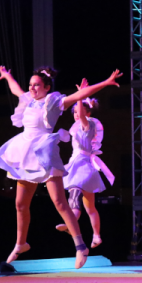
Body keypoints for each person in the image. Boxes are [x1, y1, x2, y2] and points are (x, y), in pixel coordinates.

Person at [0, 66, 123, 268]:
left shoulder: (53, 102)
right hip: (25, 153)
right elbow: (16, 89)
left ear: (46, 87)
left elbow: (80, 94)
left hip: (44, 152)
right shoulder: (28, 100)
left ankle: (81, 246)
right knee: (20, 203)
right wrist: (8, 76)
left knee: (60, 202)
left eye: (36, 85)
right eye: (31, 85)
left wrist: (106, 82)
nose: (32, 88)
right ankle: (21, 243)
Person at [56, 79, 115, 249]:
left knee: (74, 195)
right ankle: (96, 236)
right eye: (74, 112)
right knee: (90, 207)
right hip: (87, 167)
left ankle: (70, 223)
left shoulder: (87, 124)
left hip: (81, 166)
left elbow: (81, 116)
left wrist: (80, 97)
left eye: (79, 111)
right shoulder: (83, 126)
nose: (76, 114)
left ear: (87, 112)